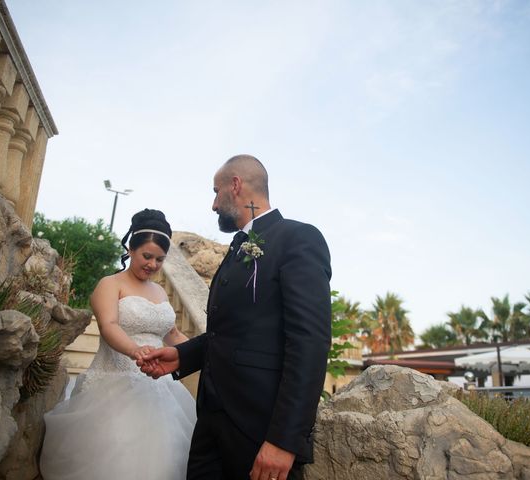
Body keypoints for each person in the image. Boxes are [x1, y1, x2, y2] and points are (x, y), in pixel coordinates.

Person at [139, 155, 332, 480]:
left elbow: (309, 343)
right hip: (211, 424)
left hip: (258, 431)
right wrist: (182, 356)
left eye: (216, 192)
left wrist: (284, 441)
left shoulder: (298, 239)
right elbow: (229, 333)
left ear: (236, 185)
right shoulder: (237, 248)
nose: (214, 204)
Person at [40, 209, 196, 480]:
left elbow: (173, 334)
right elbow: (108, 326)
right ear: (130, 249)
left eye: (160, 259)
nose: (152, 265)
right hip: (114, 385)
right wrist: (135, 350)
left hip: (160, 388)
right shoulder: (110, 284)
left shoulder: (160, 292)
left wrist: (205, 351)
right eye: (147, 256)